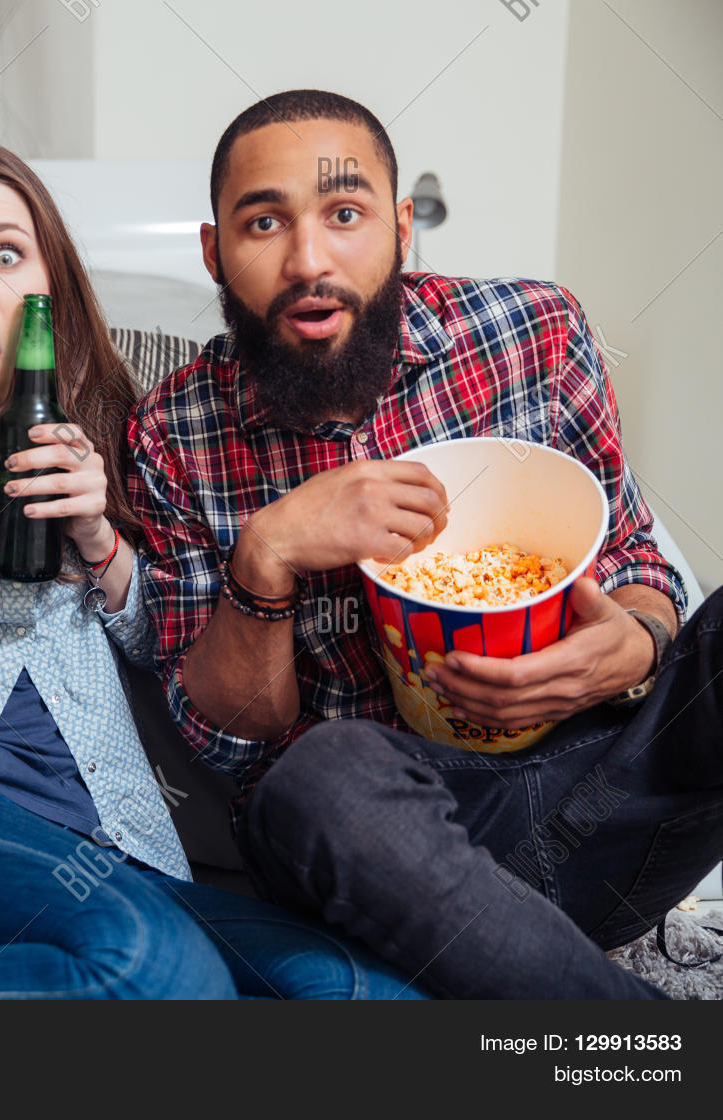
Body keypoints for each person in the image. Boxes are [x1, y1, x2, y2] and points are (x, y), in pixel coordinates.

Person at [0, 138, 424, 999]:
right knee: (152, 964)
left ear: (47, 285)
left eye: (6, 254)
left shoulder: (109, 420)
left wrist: (98, 538)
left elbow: (170, 648)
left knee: (359, 993)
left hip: (110, 834)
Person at [129, 89, 722, 999]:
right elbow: (232, 743)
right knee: (318, 775)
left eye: (344, 213)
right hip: (385, 851)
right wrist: (267, 554)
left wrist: (634, 650)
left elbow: (638, 564)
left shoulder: (534, 332)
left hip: (600, 788)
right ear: (215, 252)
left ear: (401, 229)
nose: (309, 260)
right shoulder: (173, 432)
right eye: (263, 223)